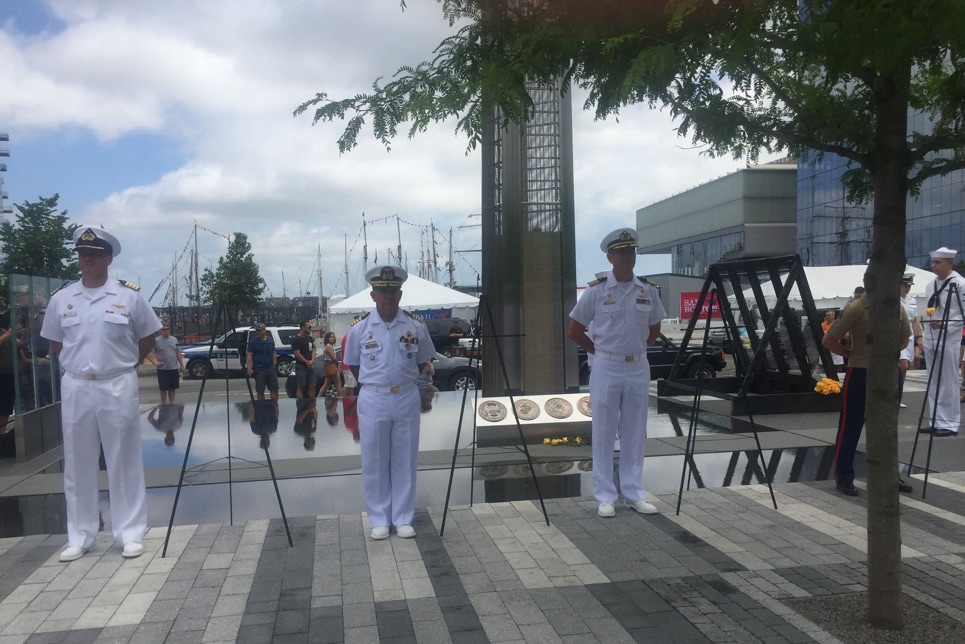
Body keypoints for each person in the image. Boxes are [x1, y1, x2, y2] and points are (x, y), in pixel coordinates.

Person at [40, 226, 162, 561]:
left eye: (94, 254)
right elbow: (55, 341)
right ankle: (80, 534)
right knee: (78, 459)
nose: (87, 260)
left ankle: (130, 532)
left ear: (108, 258)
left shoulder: (128, 296)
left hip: (117, 381)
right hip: (77, 383)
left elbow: (149, 336)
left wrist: (126, 364)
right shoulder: (62, 299)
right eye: (82, 254)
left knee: (123, 457)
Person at [566, 228, 667, 518]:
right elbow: (575, 330)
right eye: (621, 252)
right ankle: (605, 495)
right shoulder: (597, 291)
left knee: (635, 431)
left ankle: (634, 492)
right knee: (604, 431)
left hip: (637, 365)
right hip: (606, 366)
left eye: (631, 251)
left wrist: (635, 349)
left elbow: (655, 328)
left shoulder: (647, 290)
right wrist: (600, 351)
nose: (627, 257)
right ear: (610, 257)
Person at [344, 266, 434, 540]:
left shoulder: (415, 326)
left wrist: (400, 382)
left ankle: (403, 517)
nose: (388, 296)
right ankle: (379, 518)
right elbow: (355, 367)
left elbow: (423, 362)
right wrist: (378, 385)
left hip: (406, 395)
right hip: (373, 397)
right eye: (382, 291)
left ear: (400, 293)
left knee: (405, 458)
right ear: (373, 295)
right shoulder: (360, 329)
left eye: (393, 290)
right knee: (374, 459)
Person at [822, 286, 912, 495]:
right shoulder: (859, 308)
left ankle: (880, 476)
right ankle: (847, 476)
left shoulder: (894, 308)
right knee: (854, 425)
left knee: (884, 427)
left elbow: (905, 339)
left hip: (876, 369)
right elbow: (828, 339)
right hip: (868, 370)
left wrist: (852, 355)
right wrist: (854, 355)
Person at [922, 247, 965, 436]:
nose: (934, 266)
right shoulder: (930, 285)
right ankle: (935, 419)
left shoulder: (960, 284)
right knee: (933, 380)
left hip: (949, 339)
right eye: (933, 262)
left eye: (938, 262)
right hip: (932, 336)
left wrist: (946, 325)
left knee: (948, 381)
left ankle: (949, 423)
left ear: (950, 263)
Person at [898, 274, 924, 407]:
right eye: (905, 285)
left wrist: (919, 337)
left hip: (909, 335)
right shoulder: (894, 299)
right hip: (898, 334)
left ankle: (898, 396)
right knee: (903, 366)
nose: (907, 288)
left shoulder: (911, 300)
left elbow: (915, 321)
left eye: (909, 286)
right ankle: (894, 395)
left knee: (904, 369)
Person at [148, 324, 184, 403]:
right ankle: (164, 405)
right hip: (163, 369)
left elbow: (178, 353)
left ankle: (171, 404)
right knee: (163, 389)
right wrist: (155, 362)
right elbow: (149, 353)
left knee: (172, 388)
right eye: (164, 329)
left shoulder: (174, 339)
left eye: (167, 329)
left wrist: (181, 364)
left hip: (173, 368)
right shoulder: (156, 340)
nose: (166, 330)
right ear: (161, 331)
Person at [246, 322, 278, 401]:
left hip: (270, 368)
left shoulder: (270, 340)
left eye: (260, 330)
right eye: (257, 330)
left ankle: (274, 405)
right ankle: (261, 406)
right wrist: (249, 368)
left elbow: (273, 352)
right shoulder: (253, 342)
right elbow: (249, 355)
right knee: (260, 390)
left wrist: (274, 364)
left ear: (264, 330)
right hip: (259, 369)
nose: (258, 332)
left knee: (274, 388)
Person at [291, 320, 316, 398]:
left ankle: (312, 403)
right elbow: (297, 354)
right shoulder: (296, 339)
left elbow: (314, 350)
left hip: (310, 365)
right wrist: (306, 362)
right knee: (301, 386)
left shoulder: (310, 338)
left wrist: (312, 361)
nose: (310, 328)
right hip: (301, 365)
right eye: (309, 327)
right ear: (302, 327)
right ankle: (300, 404)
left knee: (312, 385)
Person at [319, 331, 341, 398]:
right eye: (331, 337)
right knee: (338, 383)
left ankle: (318, 397)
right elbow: (333, 358)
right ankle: (340, 396)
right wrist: (338, 365)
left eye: (333, 337)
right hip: (332, 367)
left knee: (326, 384)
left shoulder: (328, 346)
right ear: (327, 338)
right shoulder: (329, 347)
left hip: (328, 368)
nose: (332, 338)